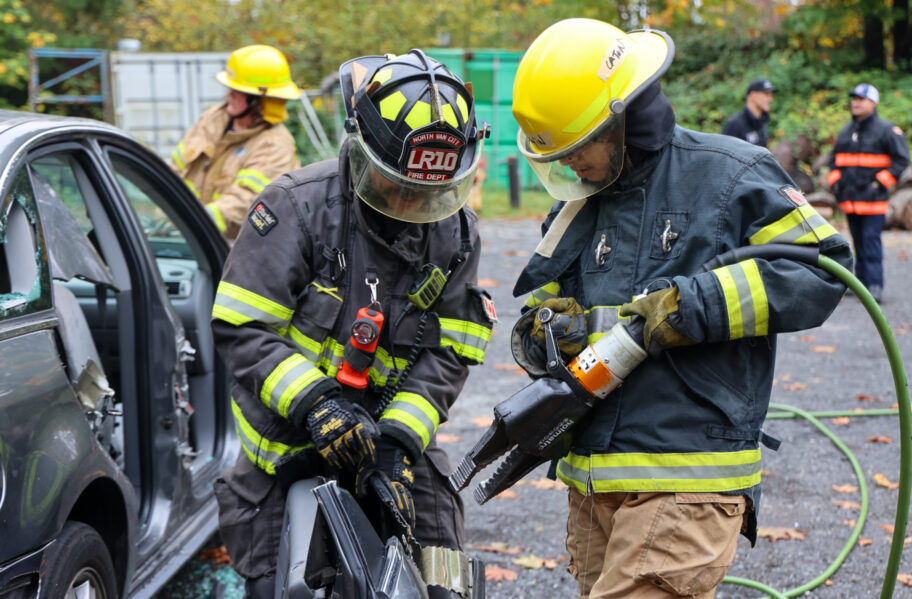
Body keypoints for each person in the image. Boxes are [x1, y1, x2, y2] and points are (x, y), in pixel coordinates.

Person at [509, 19, 853, 599]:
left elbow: (819, 271)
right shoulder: (577, 208)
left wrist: (692, 305)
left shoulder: (731, 174)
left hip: (688, 473)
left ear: (620, 119)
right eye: (558, 156)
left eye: (576, 149)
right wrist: (547, 335)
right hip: (594, 482)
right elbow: (540, 313)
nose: (569, 168)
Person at [210, 50, 495, 598]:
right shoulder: (294, 208)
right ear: (360, 147)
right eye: (398, 186)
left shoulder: (455, 231)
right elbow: (243, 328)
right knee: (282, 584)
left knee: (444, 578)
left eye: (430, 190)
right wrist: (316, 404)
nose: (414, 202)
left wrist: (398, 443)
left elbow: (452, 349)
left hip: (389, 438)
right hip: (287, 441)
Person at [171, 44, 301, 240]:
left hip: (234, 249)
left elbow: (244, 201)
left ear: (258, 100)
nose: (227, 95)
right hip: (191, 238)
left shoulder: (274, 144)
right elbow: (177, 171)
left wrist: (194, 222)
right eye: (229, 88)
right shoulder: (213, 118)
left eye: (236, 91)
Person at [826, 83, 910, 302]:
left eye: (861, 99)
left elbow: (901, 161)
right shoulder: (847, 130)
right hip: (850, 201)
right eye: (854, 98)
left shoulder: (886, 130)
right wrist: (835, 182)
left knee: (871, 242)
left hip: (873, 202)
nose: (856, 102)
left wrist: (879, 184)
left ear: (873, 103)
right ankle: (860, 284)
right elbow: (834, 160)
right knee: (857, 243)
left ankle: (875, 286)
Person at [722, 78, 777, 148]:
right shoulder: (735, 124)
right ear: (753, 95)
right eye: (766, 94)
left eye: (771, 95)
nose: (770, 99)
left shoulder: (762, 121)